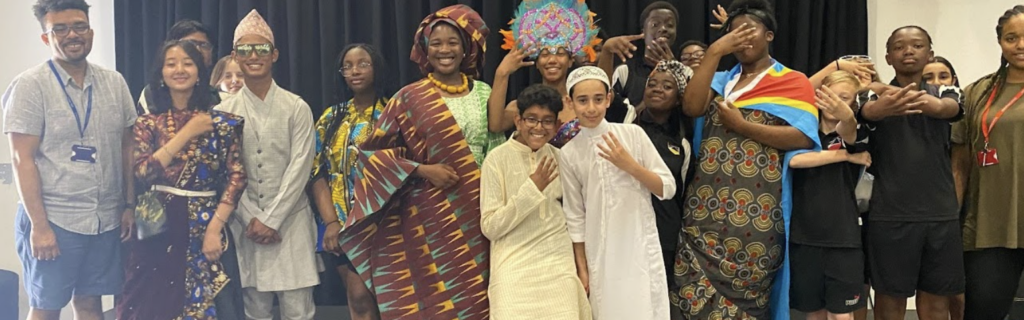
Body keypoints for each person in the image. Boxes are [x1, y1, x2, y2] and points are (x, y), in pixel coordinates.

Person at [339, 5, 503, 319]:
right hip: (426, 215)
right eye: (437, 42)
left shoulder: (484, 93)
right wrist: (422, 169)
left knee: (476, 296)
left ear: (466, 47)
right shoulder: (409, 97)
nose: (445, 50)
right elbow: (372, 156)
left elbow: (496, 148)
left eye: (453, 42)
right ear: (425, 49)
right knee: (433, 295)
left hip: (478, 211)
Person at [672, 0, 820, 318]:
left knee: (749, 304)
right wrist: (713, 52)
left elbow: (804, 137)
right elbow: (692, 107)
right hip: (703, 214)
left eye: (750, 30)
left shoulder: (793, 81)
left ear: (769, 35)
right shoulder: (720, 79)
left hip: (758, 217)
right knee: (689, 302)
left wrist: (742, 126)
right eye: (734, 32)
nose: (742, 37)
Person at [4, 0, 136, 319]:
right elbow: (23, 159)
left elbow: (127, 149)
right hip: (55, 220)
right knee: (47, 307)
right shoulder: (30, 86)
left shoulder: (114, 83)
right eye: (59, 28)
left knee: (91, 302)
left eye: (79, 26)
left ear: (90, 31)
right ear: (46, 38)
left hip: (104, 218)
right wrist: (40, 226)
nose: (71, 34)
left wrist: (128, 205)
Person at [117, 40, 246, 320]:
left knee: (213, 302)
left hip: (206, 220)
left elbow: (237, 177)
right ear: (161, 73)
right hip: (155, 221)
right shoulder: (148, 123)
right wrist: (186, 133)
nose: (179, 69)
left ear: (200, 72)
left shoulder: (221, 123)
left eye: (187, 63)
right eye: (171, 63)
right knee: (148, 301)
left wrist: (215, 228)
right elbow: (142, 172)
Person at [213, 9, 319, 320]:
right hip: (245, 225)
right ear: (235, 55)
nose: (254, 55)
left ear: (274, 54)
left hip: (291, 223)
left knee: (298, 310)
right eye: (245, 49)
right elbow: (225, 172)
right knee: (254, 310)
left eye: (261, 49)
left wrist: (271, 219)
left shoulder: (296, 107)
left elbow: (301, 167)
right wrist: (251, 220)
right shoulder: (224, 110)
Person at [857, 25, 964, 320]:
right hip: (889, 214)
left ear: (929, 54)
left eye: (917, 46)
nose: (908, 51)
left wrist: (892, 92)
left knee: (936, 303)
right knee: (889, 301)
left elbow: (947, 109)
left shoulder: (947, 90)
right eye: (900, 47)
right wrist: (879, 102)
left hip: (940, 213)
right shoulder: (869, 98)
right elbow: (866, 113)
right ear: (888, 57)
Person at [559, 66, 676, 320]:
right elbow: (575, 215)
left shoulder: (632, 134)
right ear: (570, 102)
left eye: (598, 99)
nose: (591, 108)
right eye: (582, 100)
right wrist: (582, 267)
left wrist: (630, 165)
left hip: (639, 242)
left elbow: (667, 188)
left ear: (609, 99)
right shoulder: (569, 153)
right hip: (599, 248)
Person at [480, 84, 591, 320]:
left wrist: (582, 269)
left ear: (556, 125)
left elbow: (575, 218)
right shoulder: (496, 159)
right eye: (531, 119)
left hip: (558, 266)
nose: (539, 127)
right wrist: (532, 189)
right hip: (513, 267)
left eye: (547, 121)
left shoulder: (561, 158)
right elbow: (490, 227)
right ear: (518, 121)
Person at [308, 43, 391, 320]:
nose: (355, 70)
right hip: (339, 227)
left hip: (383, 225)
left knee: (382, 301)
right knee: (358, 301)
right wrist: (331, 222)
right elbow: (316, 173)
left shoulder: (392, 113)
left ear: (376, 68)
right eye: (348, 66)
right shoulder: (331, 117)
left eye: (363, 63)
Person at [952, 6, 1024, 319]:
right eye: (1012, 37)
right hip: (989, 226)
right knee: (982, 313)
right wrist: (951, 221)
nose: (1021, 45)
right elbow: (960, 164)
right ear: (1000, 43)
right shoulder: (977, 93)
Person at [788, 71, 870, 320]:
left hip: (843, 239)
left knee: (841, 314)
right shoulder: (803, 132)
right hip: (804, 237)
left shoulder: (855, 134)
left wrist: (848, 120)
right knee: (814, 312)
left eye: (844, 97)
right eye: (831, 95)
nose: (836, 101)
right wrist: (843, 157)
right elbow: (795, 161)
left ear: (855, 104)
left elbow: (849, 131)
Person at [490, 0, 602, 147]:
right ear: (537, 63)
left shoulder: (582, 104)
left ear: (570, 61)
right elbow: (495, 126)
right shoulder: (521, 106)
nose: (552, 60)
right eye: (544, 54)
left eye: (560, 54)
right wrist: (502, 73)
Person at [635, 60, 693, 296]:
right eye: (652, 84)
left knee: (659, 297)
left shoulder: (682, 144)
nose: (657, 89)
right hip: (628, 228)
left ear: (679, 98)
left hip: (665, 233)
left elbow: (684, 193)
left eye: (667, 86)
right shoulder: (627, 124)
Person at [599, 1, 679, 116]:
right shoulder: (625, 72)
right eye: (655, 24)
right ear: (643, 31)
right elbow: (606, 104)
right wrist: (606, 51)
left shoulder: (684, 73)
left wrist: (675, 69)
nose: (663, 28)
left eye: (670, 25)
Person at [138, 19, 220, 114]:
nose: (197, 50)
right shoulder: (151, 95)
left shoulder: (219, 97)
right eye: (190, 44)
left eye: (203, 45)